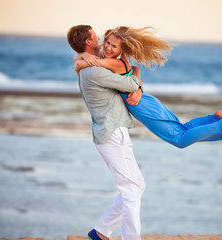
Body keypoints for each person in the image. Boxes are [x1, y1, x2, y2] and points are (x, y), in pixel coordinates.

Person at [74, 26, 222, 149]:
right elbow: (135, 68)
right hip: (145, 100)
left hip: (142, 105)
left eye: (114, 46)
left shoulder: (112, 62)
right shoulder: (120, 61)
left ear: (122, 49)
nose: (109, 48)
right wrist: (82, 55)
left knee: (180, 139)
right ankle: (216, 118)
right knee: (181, 128)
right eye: (108, 43)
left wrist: (79, 63)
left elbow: (89, 63)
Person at [67, 25, 145, 240]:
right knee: (131, 192)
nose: (100, 38)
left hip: (111, 133)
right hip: (112, 134)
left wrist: (81, 56)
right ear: (88, 42)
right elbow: (130, 83)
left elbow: (79, 58)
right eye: (95, 36)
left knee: (136, 186)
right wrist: (137, 76)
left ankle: (100, 231)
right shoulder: (95, 70)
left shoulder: (89, 64)